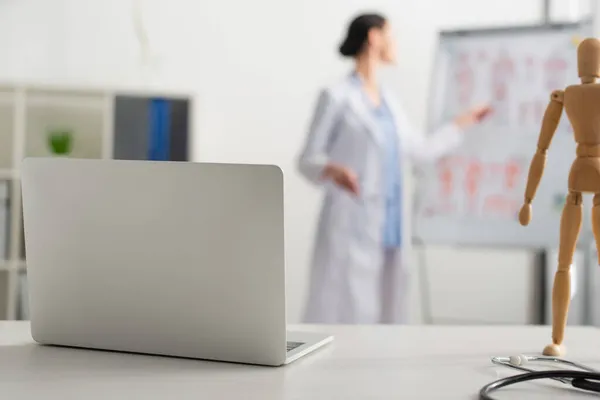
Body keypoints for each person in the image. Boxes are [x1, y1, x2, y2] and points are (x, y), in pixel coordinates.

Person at [297, 12, 491, 324]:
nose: (396, 42)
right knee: (346, 314)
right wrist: (334, 170)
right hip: (351, 222)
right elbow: (307, 159)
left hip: (390, 225)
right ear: (374, 38)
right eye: (392, 35)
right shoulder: (336, 96)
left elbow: (420, 149)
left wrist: (462, 122)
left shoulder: (389, 101)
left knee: (386, 316)